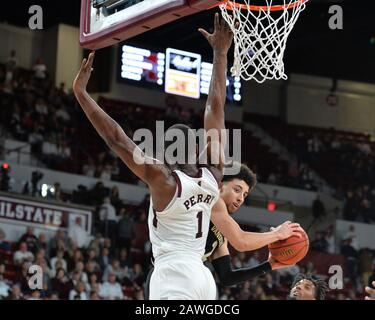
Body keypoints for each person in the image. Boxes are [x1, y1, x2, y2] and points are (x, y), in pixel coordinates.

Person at [73, 13, 230, 300]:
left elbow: (116, 138)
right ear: (196, 148)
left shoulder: (164, 179)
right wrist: (220, 53)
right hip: (203, 278)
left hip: (173, 275)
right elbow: (215, 109)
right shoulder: (214, 174)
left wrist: (81, 93)